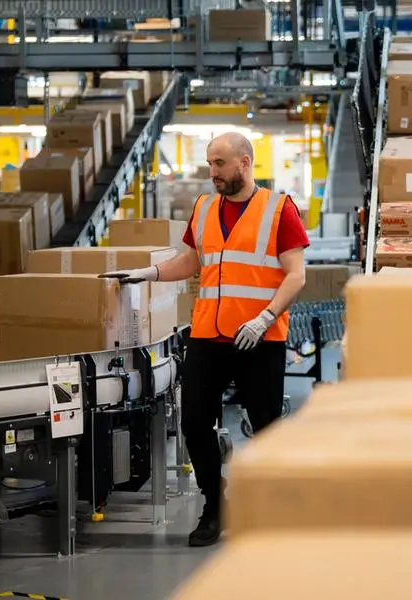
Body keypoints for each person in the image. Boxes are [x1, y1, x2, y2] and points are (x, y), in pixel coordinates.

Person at [102, 132, 309, 547]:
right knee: (194, 423)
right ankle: (215, 503)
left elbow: (296, 274)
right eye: (209, 164)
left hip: (258, 339)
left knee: (266, 427)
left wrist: (265, 317)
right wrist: (149, 273)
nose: (212, 172)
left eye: (219, 164)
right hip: (208, 336)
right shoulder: (204, 207)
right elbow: (192, 261)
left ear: (244, 163)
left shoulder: (278, 209)